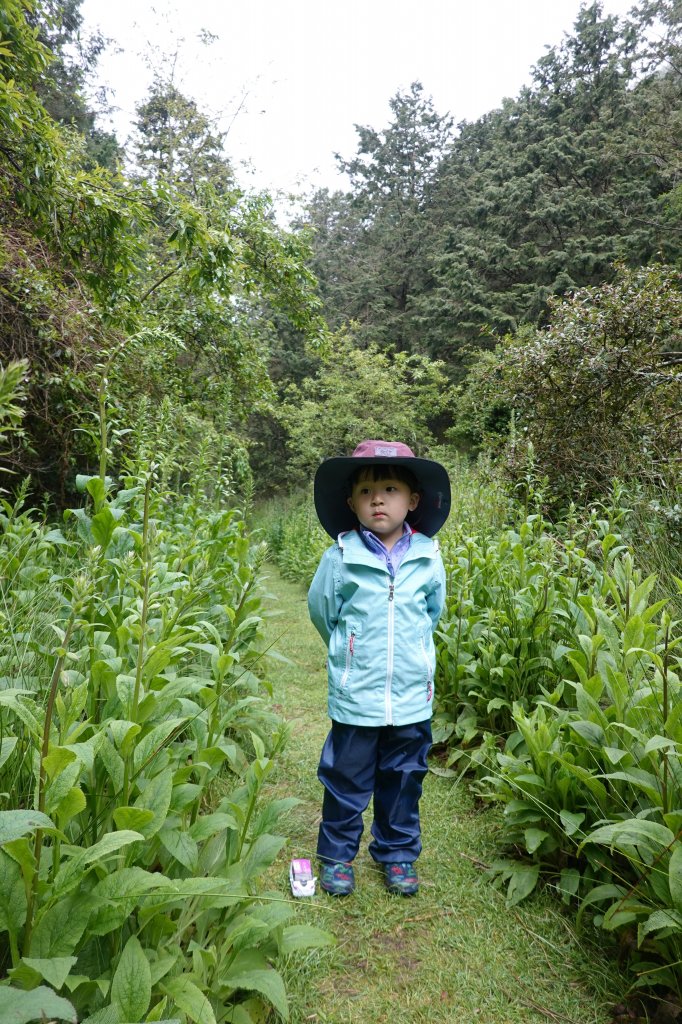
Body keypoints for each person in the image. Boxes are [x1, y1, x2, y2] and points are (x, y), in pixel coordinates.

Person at [307, 439, 451, 896]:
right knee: (346, 781)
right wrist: (349, 656)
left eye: (390, 488)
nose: (377, 498)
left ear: (412, 501)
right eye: (367, 490)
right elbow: (324, 614)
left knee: (404, 780)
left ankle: (398, 855)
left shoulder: (428, 558)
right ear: (351, 503)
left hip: (411, 697)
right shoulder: (339, 558)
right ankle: (335, 856)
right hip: (357, 697)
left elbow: (432, 615)